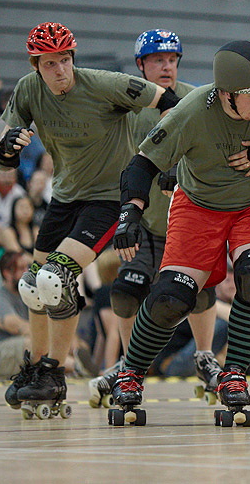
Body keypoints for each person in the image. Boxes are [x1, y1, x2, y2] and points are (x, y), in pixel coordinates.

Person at [109, 40, 250, 423]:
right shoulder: (192, 110)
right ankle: (130, 372)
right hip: (198, 205)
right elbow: (142, 164)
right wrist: (130, 214)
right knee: (172, 297)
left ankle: (233, 374)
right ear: (225, 95)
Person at [0, 21, 177, 412]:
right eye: (49, 64)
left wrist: (168, 160)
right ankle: (38, 370)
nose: (60, 71)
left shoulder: (103, 84)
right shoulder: (29, 90)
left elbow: (170, 102)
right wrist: (6, 147)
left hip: (110, 197)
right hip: (65, 196)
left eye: (65, 60)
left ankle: (55, 371)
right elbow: (3, 149)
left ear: (73, 58)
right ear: (35, 65)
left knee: (54, 277)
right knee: (32, 285)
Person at [87, 29, 222, 408]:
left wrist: (181, 167)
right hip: (145, 224)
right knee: (126, 294)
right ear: (140, 66)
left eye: (172, 59)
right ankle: (132, 366)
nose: (166, 66)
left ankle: (205, 357)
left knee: (200, 293)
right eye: (158, 60)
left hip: (188, 221)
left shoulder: (196, 99)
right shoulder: (127, 109)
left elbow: (211, 150)